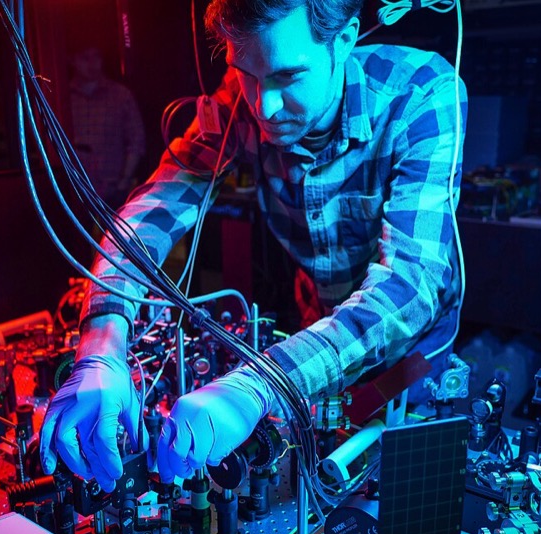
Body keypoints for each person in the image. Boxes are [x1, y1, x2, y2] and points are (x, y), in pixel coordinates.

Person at [40, 0, 466, 491]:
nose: (264, 107)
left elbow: (410, 285)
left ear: (345, 39)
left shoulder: (423, 94)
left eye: (287, 77)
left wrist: (258, 383)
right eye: (246, 74)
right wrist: (102, 343)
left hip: (411, 360)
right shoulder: (236, 103)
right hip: (314, 337)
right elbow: (153, 212)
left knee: (394, 494)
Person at [68, 44, 146, 210]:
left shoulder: (120, 95)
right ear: (73, 60)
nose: (92, 63)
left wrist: (124, 181)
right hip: (74, 188)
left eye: (96, 56)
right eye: (85, 58)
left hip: (113, 190)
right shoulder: (63, 97)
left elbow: (136, 139)